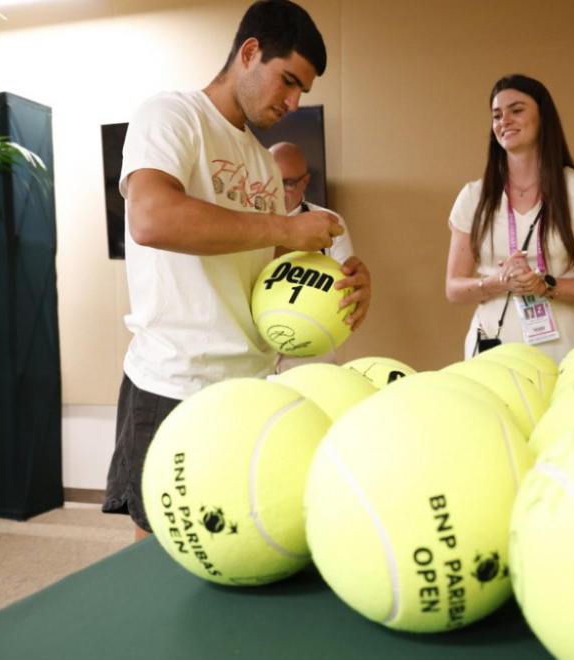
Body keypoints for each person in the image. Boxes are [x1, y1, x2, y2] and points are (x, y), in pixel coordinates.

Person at [103, 0, 372, 542]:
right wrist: (289, 229)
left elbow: (268, 274)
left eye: (303, 93)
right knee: (156, 562)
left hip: (249, 386)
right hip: (172, 383)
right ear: (249, 53)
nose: (293, 103)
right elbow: (152, 218)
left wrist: (337, 280)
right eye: (288, 81)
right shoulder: (171, 114)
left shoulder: (260, 163)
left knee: (236, 549)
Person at [445, 74, 574, 365]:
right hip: (489, 350)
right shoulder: (473, 196)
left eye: (517, 110)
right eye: (497, 115)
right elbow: (453, 288)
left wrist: (543, 285)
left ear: (543, 118)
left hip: (559, 349)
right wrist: (498, 282)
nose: (505, 120)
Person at [269, 141, 354, 372]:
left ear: (304, 181)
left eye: (286, 183)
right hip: (255, 364)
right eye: (271, 178)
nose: (276, 189)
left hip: (311, 363)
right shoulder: (242, 221)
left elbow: (347, 290)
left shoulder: (329, 222)